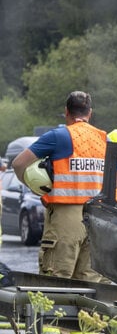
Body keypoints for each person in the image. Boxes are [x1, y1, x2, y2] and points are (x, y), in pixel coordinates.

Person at [10, 91, 108, 281]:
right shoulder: (103, 139)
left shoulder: (59, 136)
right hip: (98, 219)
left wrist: (34, 187)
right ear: (90, 113)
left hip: (65, 217)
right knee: (90, 283)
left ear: (66, 112)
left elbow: (18, 164)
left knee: (56, 279)